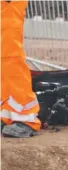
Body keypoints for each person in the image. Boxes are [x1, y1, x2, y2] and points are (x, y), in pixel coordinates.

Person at [1, 0, 41, 138]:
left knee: (12, 61)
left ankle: (27, 120)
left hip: (9, 7)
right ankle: (7, 115)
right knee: (5, 65)